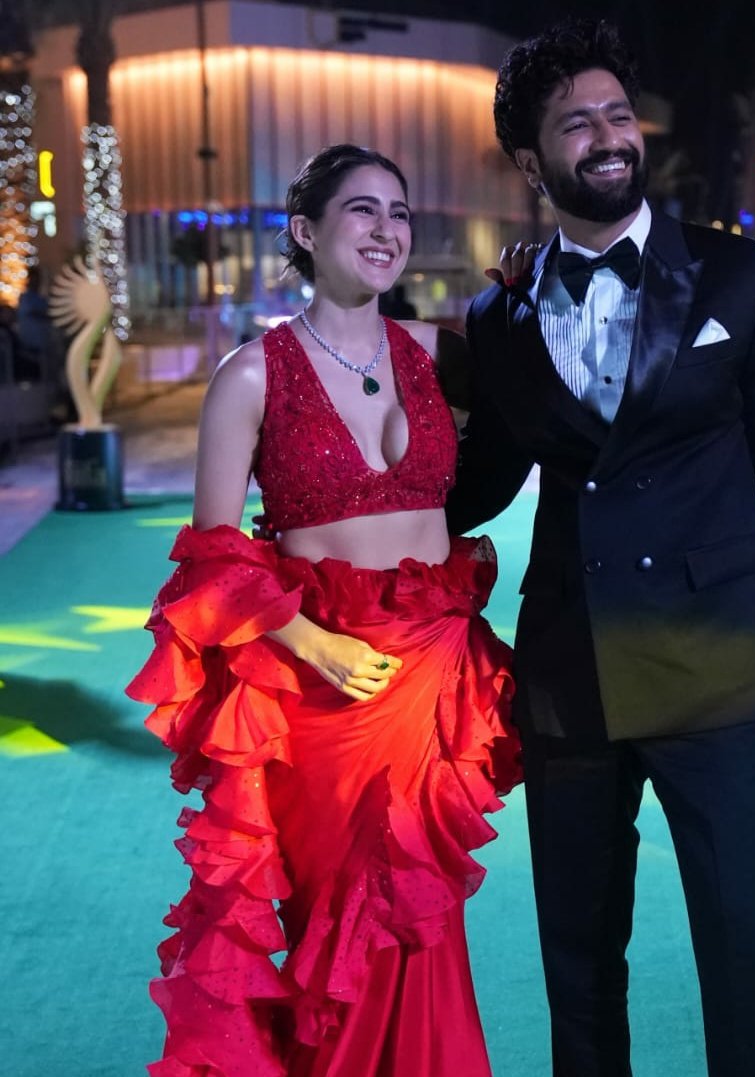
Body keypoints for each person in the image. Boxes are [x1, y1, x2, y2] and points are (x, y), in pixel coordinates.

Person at [445, 19, 755, 1077]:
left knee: (749, 951)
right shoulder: (496, 315)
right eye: (578, 124)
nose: (609, 136)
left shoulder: (743, 280)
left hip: (717, 666)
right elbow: (474, 484)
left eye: (618, 114)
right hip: (569, 677)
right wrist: (347, 487)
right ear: (532, 161)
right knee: (577, 964)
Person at [127, 144, 520, 1077]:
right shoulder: (252, 375)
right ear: (306, 232)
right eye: (362, 210)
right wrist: (311, 641)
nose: (388, 230)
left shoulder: (440, 356)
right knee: (336, 939)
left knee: (425, 932)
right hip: (320, 690)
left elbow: (538, 413)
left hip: (433, 680)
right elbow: (208, 560)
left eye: (399, 211)